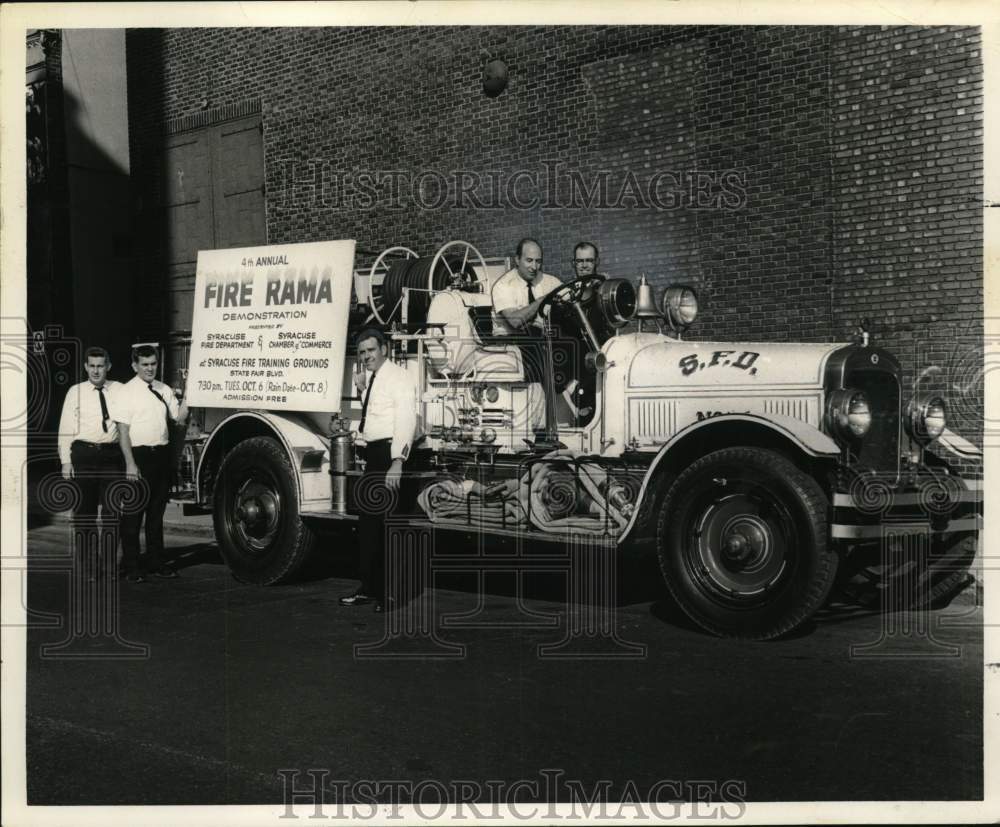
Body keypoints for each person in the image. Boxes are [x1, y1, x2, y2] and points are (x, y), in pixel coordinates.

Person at [340, 328, 417, 613]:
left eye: (371, 350)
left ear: (383, 348)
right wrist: (362, 391)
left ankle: (392, 595)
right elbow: (375, 415)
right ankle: (369, 589)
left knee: (388, 527)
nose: (366, 356)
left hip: (389, 456)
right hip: (373, 456)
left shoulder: (399, 377)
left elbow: (406, 418)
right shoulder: (373, 378)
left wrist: (398, 461)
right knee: (369, 526)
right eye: (362, 352)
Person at [113, 345, 187, 582]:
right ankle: (131, 566)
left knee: (156, 515)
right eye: (145, 364)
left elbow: (179, 418)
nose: (150, 368)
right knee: (133, 515)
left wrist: (190, 395)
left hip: (161, 457)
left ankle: (157, 562)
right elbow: (122, 432)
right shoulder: (126, 392)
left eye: (153, 363)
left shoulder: (164, 389)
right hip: (138, 457)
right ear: (135, 366)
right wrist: (130, 464)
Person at [57, 346, 123, 580]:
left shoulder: (119, 390)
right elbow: (65, 428)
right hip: (83, 455)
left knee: (112, 514)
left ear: (108, 366)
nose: (96, 371)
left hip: (111, 457)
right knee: (83, 515)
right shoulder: (75, 392)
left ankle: (109, 566)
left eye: (100, 366)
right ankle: (89, 568)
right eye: (92, 366)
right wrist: (66, 462)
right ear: (86, 367)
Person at [491, 238, 563, 335]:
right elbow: (515, 321)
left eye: (538, 261)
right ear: (517, 260)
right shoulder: (503, 285)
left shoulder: (550, 282)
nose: (534, 267)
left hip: (541, 340)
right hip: (509, 342)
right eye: (529, 260)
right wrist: (543, 300)